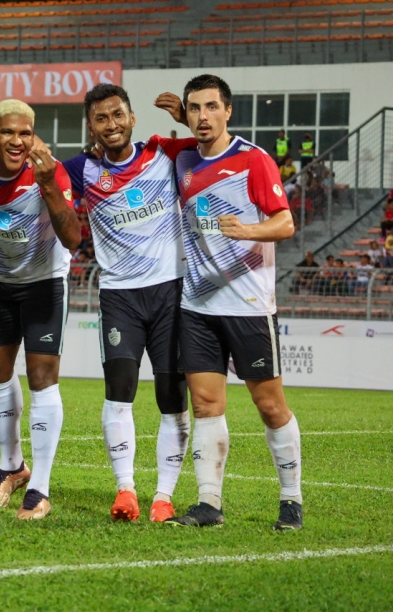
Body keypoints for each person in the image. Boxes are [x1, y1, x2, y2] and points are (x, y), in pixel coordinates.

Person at [162, 74, 301, 531]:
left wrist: (248, 230)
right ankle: (209, 504)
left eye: (211, 107)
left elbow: (284, 223)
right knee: (205, 404)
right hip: (198, 306)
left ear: (228, 111)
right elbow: (150, 146)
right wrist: (179, 119)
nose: (203, 116)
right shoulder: (182, 157)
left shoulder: (253, 160)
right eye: (194, 108)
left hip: (248, 306)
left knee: (270, 405)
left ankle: (291, 499)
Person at [59, 84, 195, 524]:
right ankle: (126, 490)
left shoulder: (163, 154)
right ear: (91, 127)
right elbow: (38, 182)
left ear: (132, 118)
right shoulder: (81, 169)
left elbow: (215, 144)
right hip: (119, 297)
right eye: (101, 118)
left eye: (118, 114)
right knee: (119, 392)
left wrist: (186, 119)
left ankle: (164, 496)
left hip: (171, 293)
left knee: (172, 397)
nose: (112, 124)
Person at [0, 99, 80, 520]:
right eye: (8, 132)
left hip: (45, 281)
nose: (17, 141)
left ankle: (40, 489)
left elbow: (73, 239)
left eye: (25, 133)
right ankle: (12, 467)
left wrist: (48, 186)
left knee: (42, 377)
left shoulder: (50, 171)